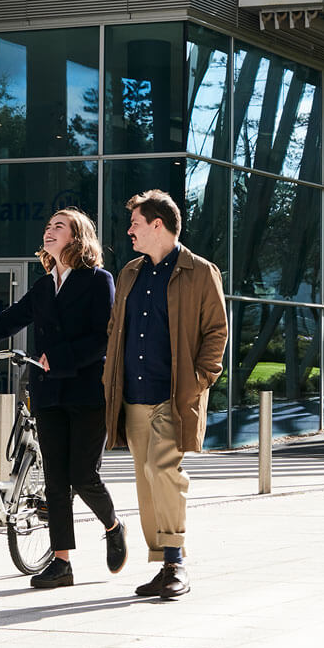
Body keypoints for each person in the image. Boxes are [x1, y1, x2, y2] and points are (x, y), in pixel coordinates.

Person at [0, 209, 127, 589]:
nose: (49, 231)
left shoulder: (98, 280)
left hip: (87, 392)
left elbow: (103, 337)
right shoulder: (43, 287)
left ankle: (113, 524)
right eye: (48, 227)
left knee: (83, 475)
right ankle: (61, 563)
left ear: (76, 237)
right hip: (48, 392)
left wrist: (60, 357)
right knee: (56, 478)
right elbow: (6, 321)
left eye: (59, 226)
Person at [102, 190, 228, 600]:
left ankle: (175, 562)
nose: (129, 232)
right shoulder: (129, 273)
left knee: (164, 471)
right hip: (133, 394)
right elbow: (115, 328)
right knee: (146, 480)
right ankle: (163, 561)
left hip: (173, 395)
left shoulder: (200, 271)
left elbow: (216, 331)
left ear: (158, 225)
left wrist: (200, 379)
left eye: (135, 224)